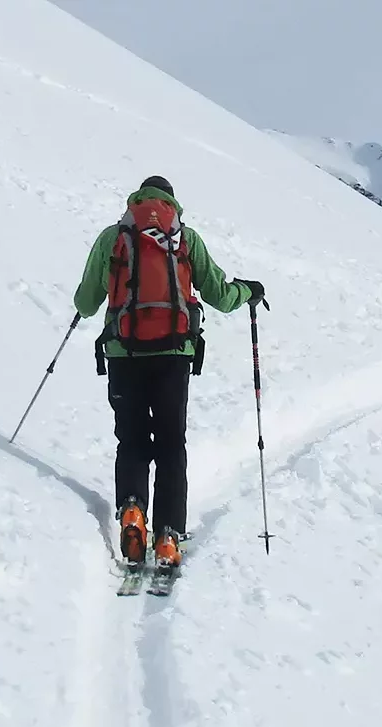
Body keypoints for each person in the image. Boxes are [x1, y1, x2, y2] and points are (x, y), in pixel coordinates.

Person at [74, 176, 264, 575]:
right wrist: (249, 292)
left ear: (137, 200)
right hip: (174, 355)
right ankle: (168, 535)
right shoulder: (185, 239)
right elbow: (219, 295)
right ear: (172, 204)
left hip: (124, 353)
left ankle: (132, 513)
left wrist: (93, 299)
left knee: (131, 439)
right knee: (171, 443)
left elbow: (87, 300)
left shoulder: (114, 236)